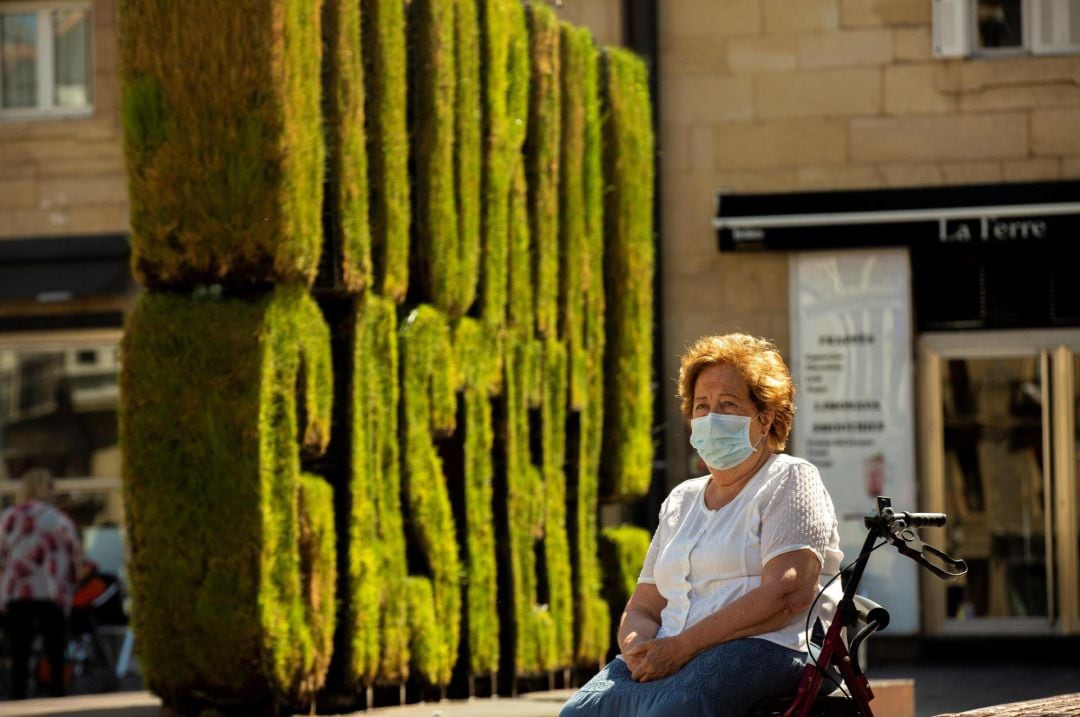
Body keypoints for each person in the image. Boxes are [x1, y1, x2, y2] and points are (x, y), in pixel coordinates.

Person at [561, 333, 843, 717]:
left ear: (767, 418)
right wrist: (637, 648)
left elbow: (787, 593)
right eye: (701, 406)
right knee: (580, 712)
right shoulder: (681, 499)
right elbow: (644, 606)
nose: (711, 418)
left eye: (727, 405)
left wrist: (681, 648)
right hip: (673, 650)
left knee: (671, 711)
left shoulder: (790, 478)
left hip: (773, 645)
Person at [0, 468, 81, 698]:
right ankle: (57, 693)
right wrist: (73, 579)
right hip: (51, 592)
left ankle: (18, 695)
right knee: (55, 649)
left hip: (17, 593)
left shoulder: (9, 517)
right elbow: (74, 551)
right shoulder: (58, 518)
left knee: (19, 651)